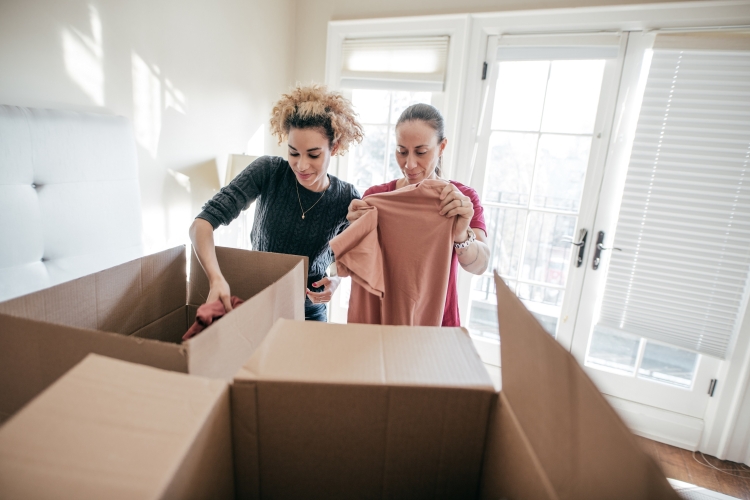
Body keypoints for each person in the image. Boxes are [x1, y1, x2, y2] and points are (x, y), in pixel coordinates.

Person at [190, 84, 364, 321]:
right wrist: (216, 278)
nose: (301, 165)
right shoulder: (269, 171)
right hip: (258, 302)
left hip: (308, 312)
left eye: (313, 155)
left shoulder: (347, 197)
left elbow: (349, 257)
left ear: (334, 147)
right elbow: (201, 224)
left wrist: (334, 281)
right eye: (293, 152)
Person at [346, 103, 490, 326]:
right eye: (402, 151)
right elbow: (357, 267)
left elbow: (480, 265)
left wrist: (461, 235)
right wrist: (355, 234)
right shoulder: (376, 196)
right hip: (383, 320)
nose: (409, 164)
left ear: (442, 147)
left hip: (439, 323)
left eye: (421, 152)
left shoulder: (461, 199)